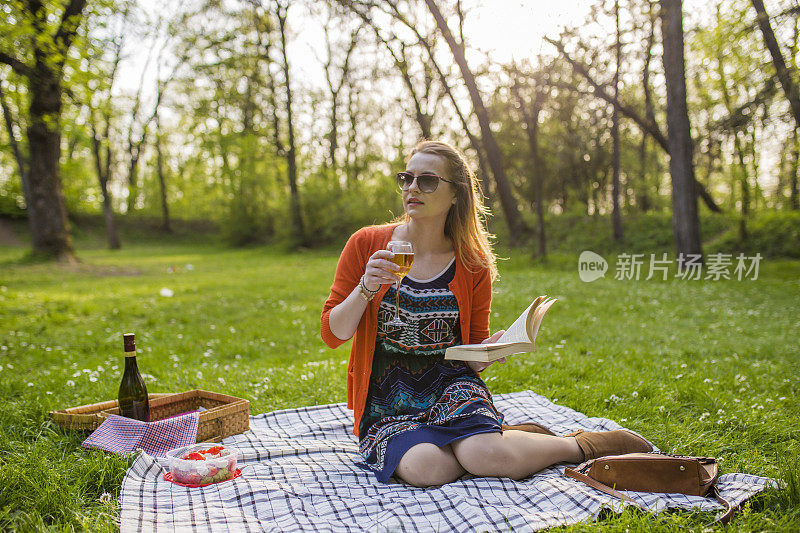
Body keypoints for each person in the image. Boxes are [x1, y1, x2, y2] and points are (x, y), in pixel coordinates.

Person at [320, 140, 651, 487]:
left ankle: (579, 445)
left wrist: (489, 351)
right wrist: (366, 288)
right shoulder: (367, 244)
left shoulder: (471, 262)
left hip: (452, 385)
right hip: (389, 401)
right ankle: (501, 440)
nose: (413, 188)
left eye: (427, 181)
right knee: (426, 469)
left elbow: (471, 351)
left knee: (485, 456)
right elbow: (332, 334)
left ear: (455, 195)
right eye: (407, 178)